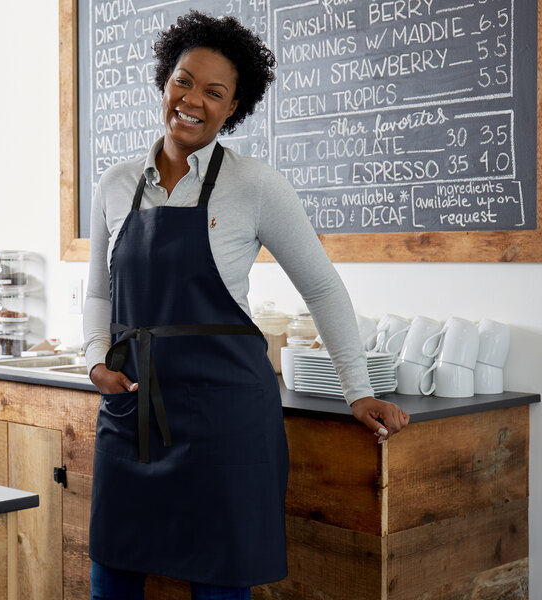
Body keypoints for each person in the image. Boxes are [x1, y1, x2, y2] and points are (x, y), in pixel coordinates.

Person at [83, 10, 409, 600]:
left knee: (220, 583)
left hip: (224, 420)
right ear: (165, 82)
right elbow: (99, 292)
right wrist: (93, 362)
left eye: (214, 92)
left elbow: (323, 288)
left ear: (233, 107)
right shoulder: (115, 182)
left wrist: (357, 389)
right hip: (134, 410)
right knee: (112, 574)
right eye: (183, 80)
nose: (192, 100)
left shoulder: (255, 185)